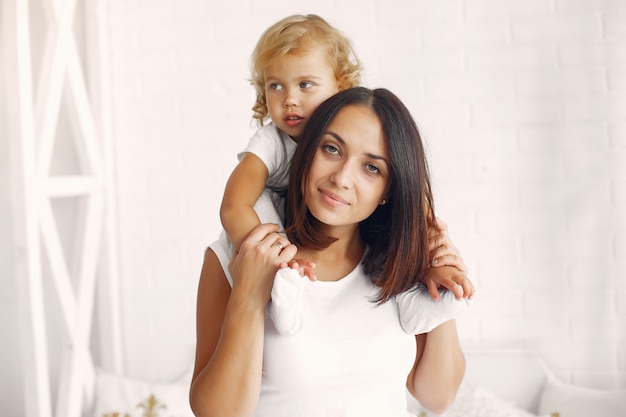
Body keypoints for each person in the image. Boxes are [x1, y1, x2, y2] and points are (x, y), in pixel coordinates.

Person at [190, 87, 471, 417]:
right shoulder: (239, 254)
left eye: (371, 168)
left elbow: (437, 397)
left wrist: (442, 287)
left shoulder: (401, 264)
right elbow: (215, 413)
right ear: (307, 151)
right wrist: (250, 297)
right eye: (332, 149)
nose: (341, 178)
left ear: (387, 191)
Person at [212, 14, 473, 336]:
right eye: (275, 86)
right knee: (261, 201)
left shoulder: (365, 134)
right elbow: (234, 206)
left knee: (404, 236)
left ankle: (419, 304)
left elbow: (415, 208)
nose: (289, 99)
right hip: (279, 232)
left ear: (341, 88)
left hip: (358, 246)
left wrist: (440, 260)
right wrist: (268, 256)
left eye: (305, 84)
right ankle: (282, 284)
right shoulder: (271, 142)